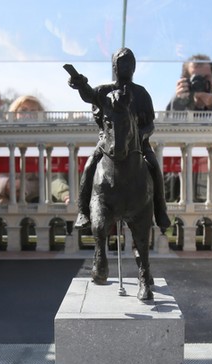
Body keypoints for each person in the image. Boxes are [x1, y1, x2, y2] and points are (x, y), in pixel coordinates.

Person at [67, 47, 171, 232]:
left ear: (134, 67)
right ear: (114, 66)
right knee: (90, 166)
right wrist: (79, 83)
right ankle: (83, 211)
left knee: (155, 168)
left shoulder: (141, 93)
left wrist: (140, 135)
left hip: (139, 146)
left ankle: (160, 210)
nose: (126, 67)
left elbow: (151, 125)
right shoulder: (104, 91)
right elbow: (89, 95)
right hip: (107, 143)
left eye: (130, 63)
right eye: (122, 63)